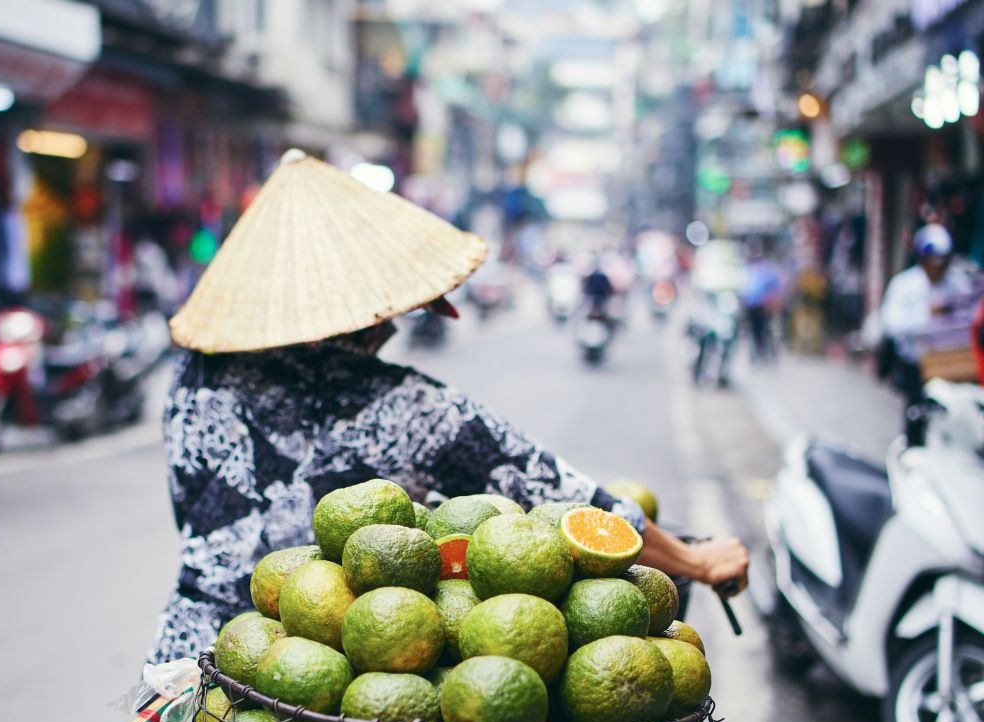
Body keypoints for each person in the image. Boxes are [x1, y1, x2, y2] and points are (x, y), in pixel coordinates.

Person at [150, 151, 749, 664]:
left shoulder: (192, 378)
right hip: (310, 666)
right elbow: (567, 502)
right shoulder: (401, 406)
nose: (388, 329)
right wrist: (695, 560)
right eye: (384, 316)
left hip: (192, 660)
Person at [879, 223, 974, 444]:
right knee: (917, 417)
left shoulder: (957, 283)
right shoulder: (905, 285)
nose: (938, 269)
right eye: (933, 263)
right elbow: (891, 324)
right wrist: (928, 314)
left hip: (950, 367)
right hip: (916, 366)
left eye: (942, 263)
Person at [741, 238, 782, 363]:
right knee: (754, 331)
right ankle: (757, 353)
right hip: (751, 305)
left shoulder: (767, 267)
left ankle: (768, 353)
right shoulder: (748, 267)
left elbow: (775, 286)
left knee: (765, 330)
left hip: (764, 306)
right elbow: (744, 287)